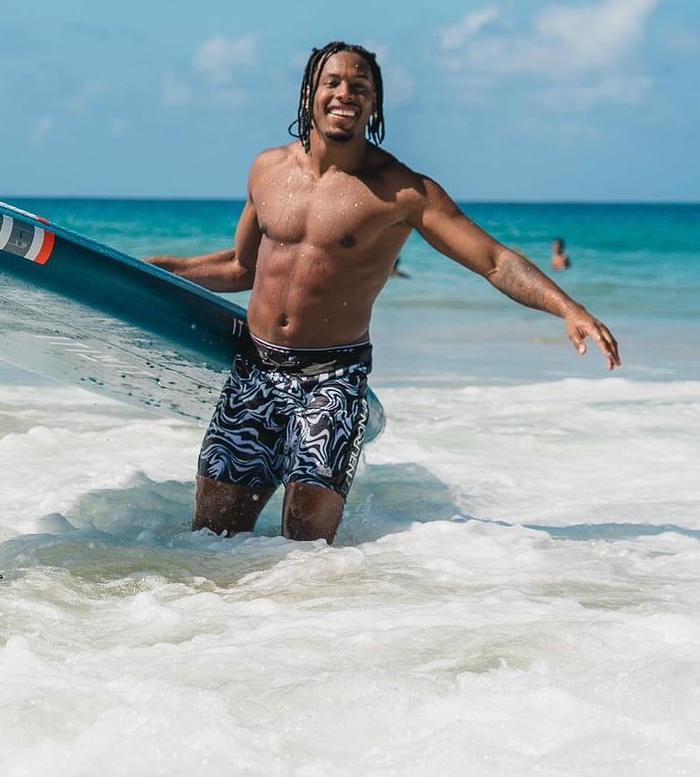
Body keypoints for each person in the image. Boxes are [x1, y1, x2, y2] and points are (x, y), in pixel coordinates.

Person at [148, 41, 619, 545]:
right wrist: (136, 267)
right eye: (332, 82)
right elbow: (241, 266)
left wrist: (568, 308)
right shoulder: (268, 169)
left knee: (305, 555)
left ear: (375, 104)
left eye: (360, 86)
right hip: (255, 372)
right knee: (208, 542)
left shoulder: (403, 191)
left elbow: (494, 260)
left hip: (333, 380)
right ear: (310, 91)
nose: (344, 93)